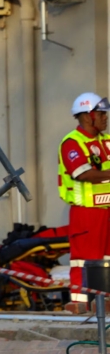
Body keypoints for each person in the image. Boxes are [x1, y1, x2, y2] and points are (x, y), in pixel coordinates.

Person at [60, 93, 110, 308]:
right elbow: (84, 174)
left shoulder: (106, 142)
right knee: (85, 260)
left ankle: (105, 301)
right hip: (86, 213)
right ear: (88, 116)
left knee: (107, 259)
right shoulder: (72, 143)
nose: (105, 118)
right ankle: (81, 305)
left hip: (106, 209)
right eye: (101, 114)